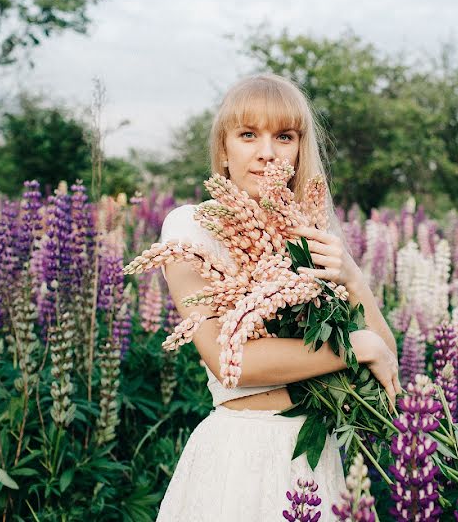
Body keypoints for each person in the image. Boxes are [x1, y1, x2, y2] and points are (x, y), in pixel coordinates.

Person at [155, 73, 401, 521]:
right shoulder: (191, 228)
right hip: (238, 457)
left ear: (299, 150)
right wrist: (354, 348)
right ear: (224, 149)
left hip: (314, 459)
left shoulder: (312, 234)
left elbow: (388, 359)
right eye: (248, 135)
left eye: (284, 136)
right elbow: (231, 362)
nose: (267, 152)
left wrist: (352, 277)